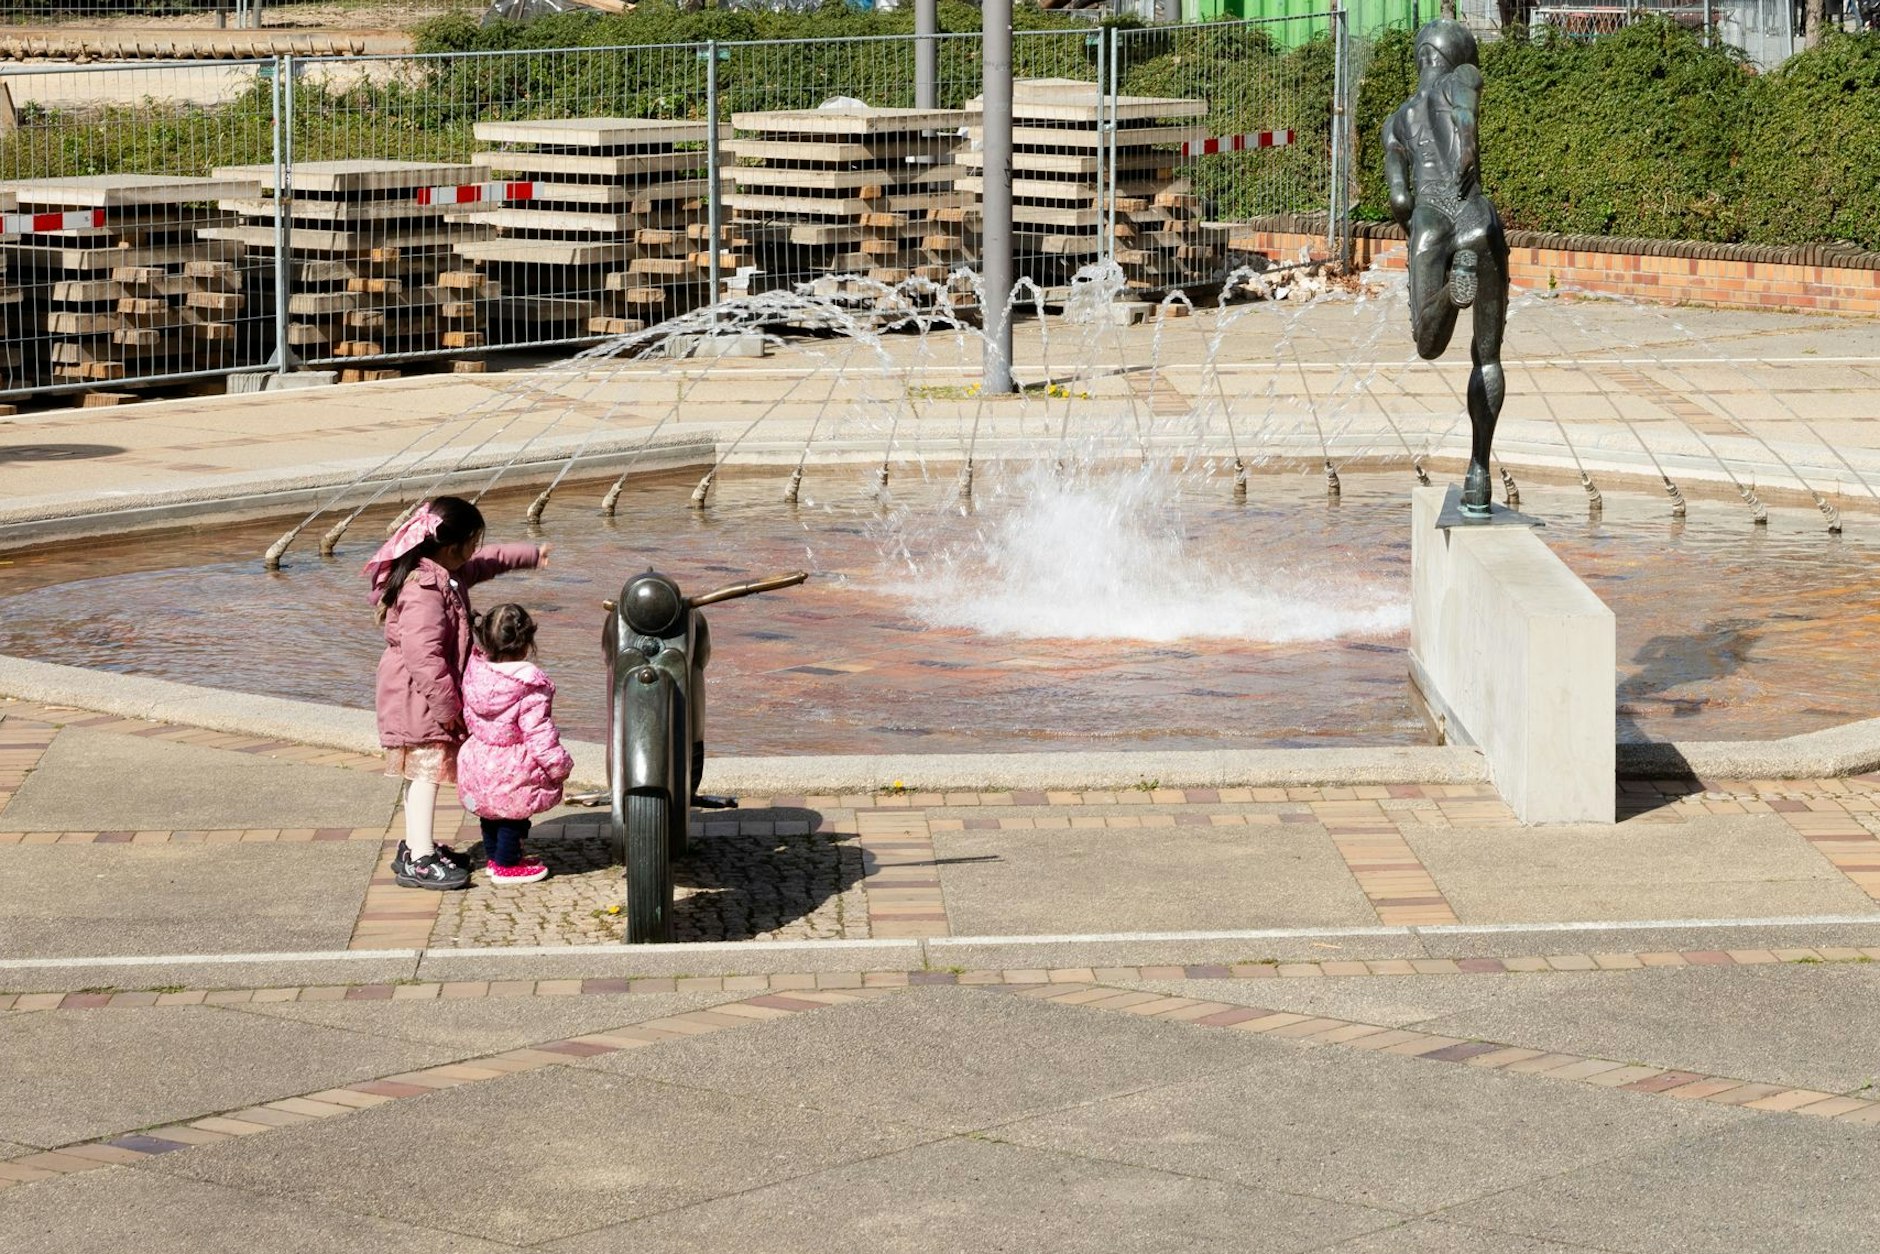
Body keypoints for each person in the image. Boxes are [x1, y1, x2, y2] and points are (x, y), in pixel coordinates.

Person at [364, 496, 547, 890]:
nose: (476, 553)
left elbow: (488, 562)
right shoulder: (424, 589)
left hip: (419, 695)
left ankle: (416, 847)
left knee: (420, 773)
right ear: (451, 548)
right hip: (418, 698)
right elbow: (423, 657)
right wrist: (450, 707)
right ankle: (421, 859)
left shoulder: (443, 572)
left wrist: (527, 555)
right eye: (472, 544)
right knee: (425, 774)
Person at [1384, 19, 1509, 517]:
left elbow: (1398, 197)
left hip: (1430, 220)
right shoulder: (1463, 78)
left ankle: (1447, 297)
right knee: (1488, 356)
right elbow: (1466, 113)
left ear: (1421, 57)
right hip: (1476, 215)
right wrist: (1468, 145)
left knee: (1427, 342)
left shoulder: (1398, 119)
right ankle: (1479, 469)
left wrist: (1415, 220)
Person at [456, 603, 573, 884]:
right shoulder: (529, 685)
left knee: (490, 811)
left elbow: (469, 714)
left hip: (479, 753)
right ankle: (507, 865)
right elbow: (538, 732)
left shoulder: (475, 672)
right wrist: (559, 764)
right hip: (512, 762)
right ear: (527, 643)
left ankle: (495, 858)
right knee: (513, 815)